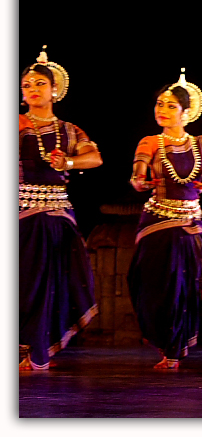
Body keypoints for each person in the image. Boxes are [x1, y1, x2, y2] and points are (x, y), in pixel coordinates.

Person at [127, 69, 202, 369]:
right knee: (156, 287)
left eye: (169, 106)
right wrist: (139, 182)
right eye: (159, 104)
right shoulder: (150, 142)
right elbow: (137, 175)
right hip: (156, 224)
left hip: (190, 226)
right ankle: (166, 343)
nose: (161, 110)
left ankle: (174, 352)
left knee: (185, 287)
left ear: (186, 112)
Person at [19, 46, 102, 371]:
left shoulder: (69, 130)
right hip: (21, 216)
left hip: (56, 219)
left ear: (55, 90)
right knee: (22, 283)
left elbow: (94, 158)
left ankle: (36, 349)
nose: (32, 89)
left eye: (39, 83)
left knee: (49, 283)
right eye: (26, 84)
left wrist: (67, 161)